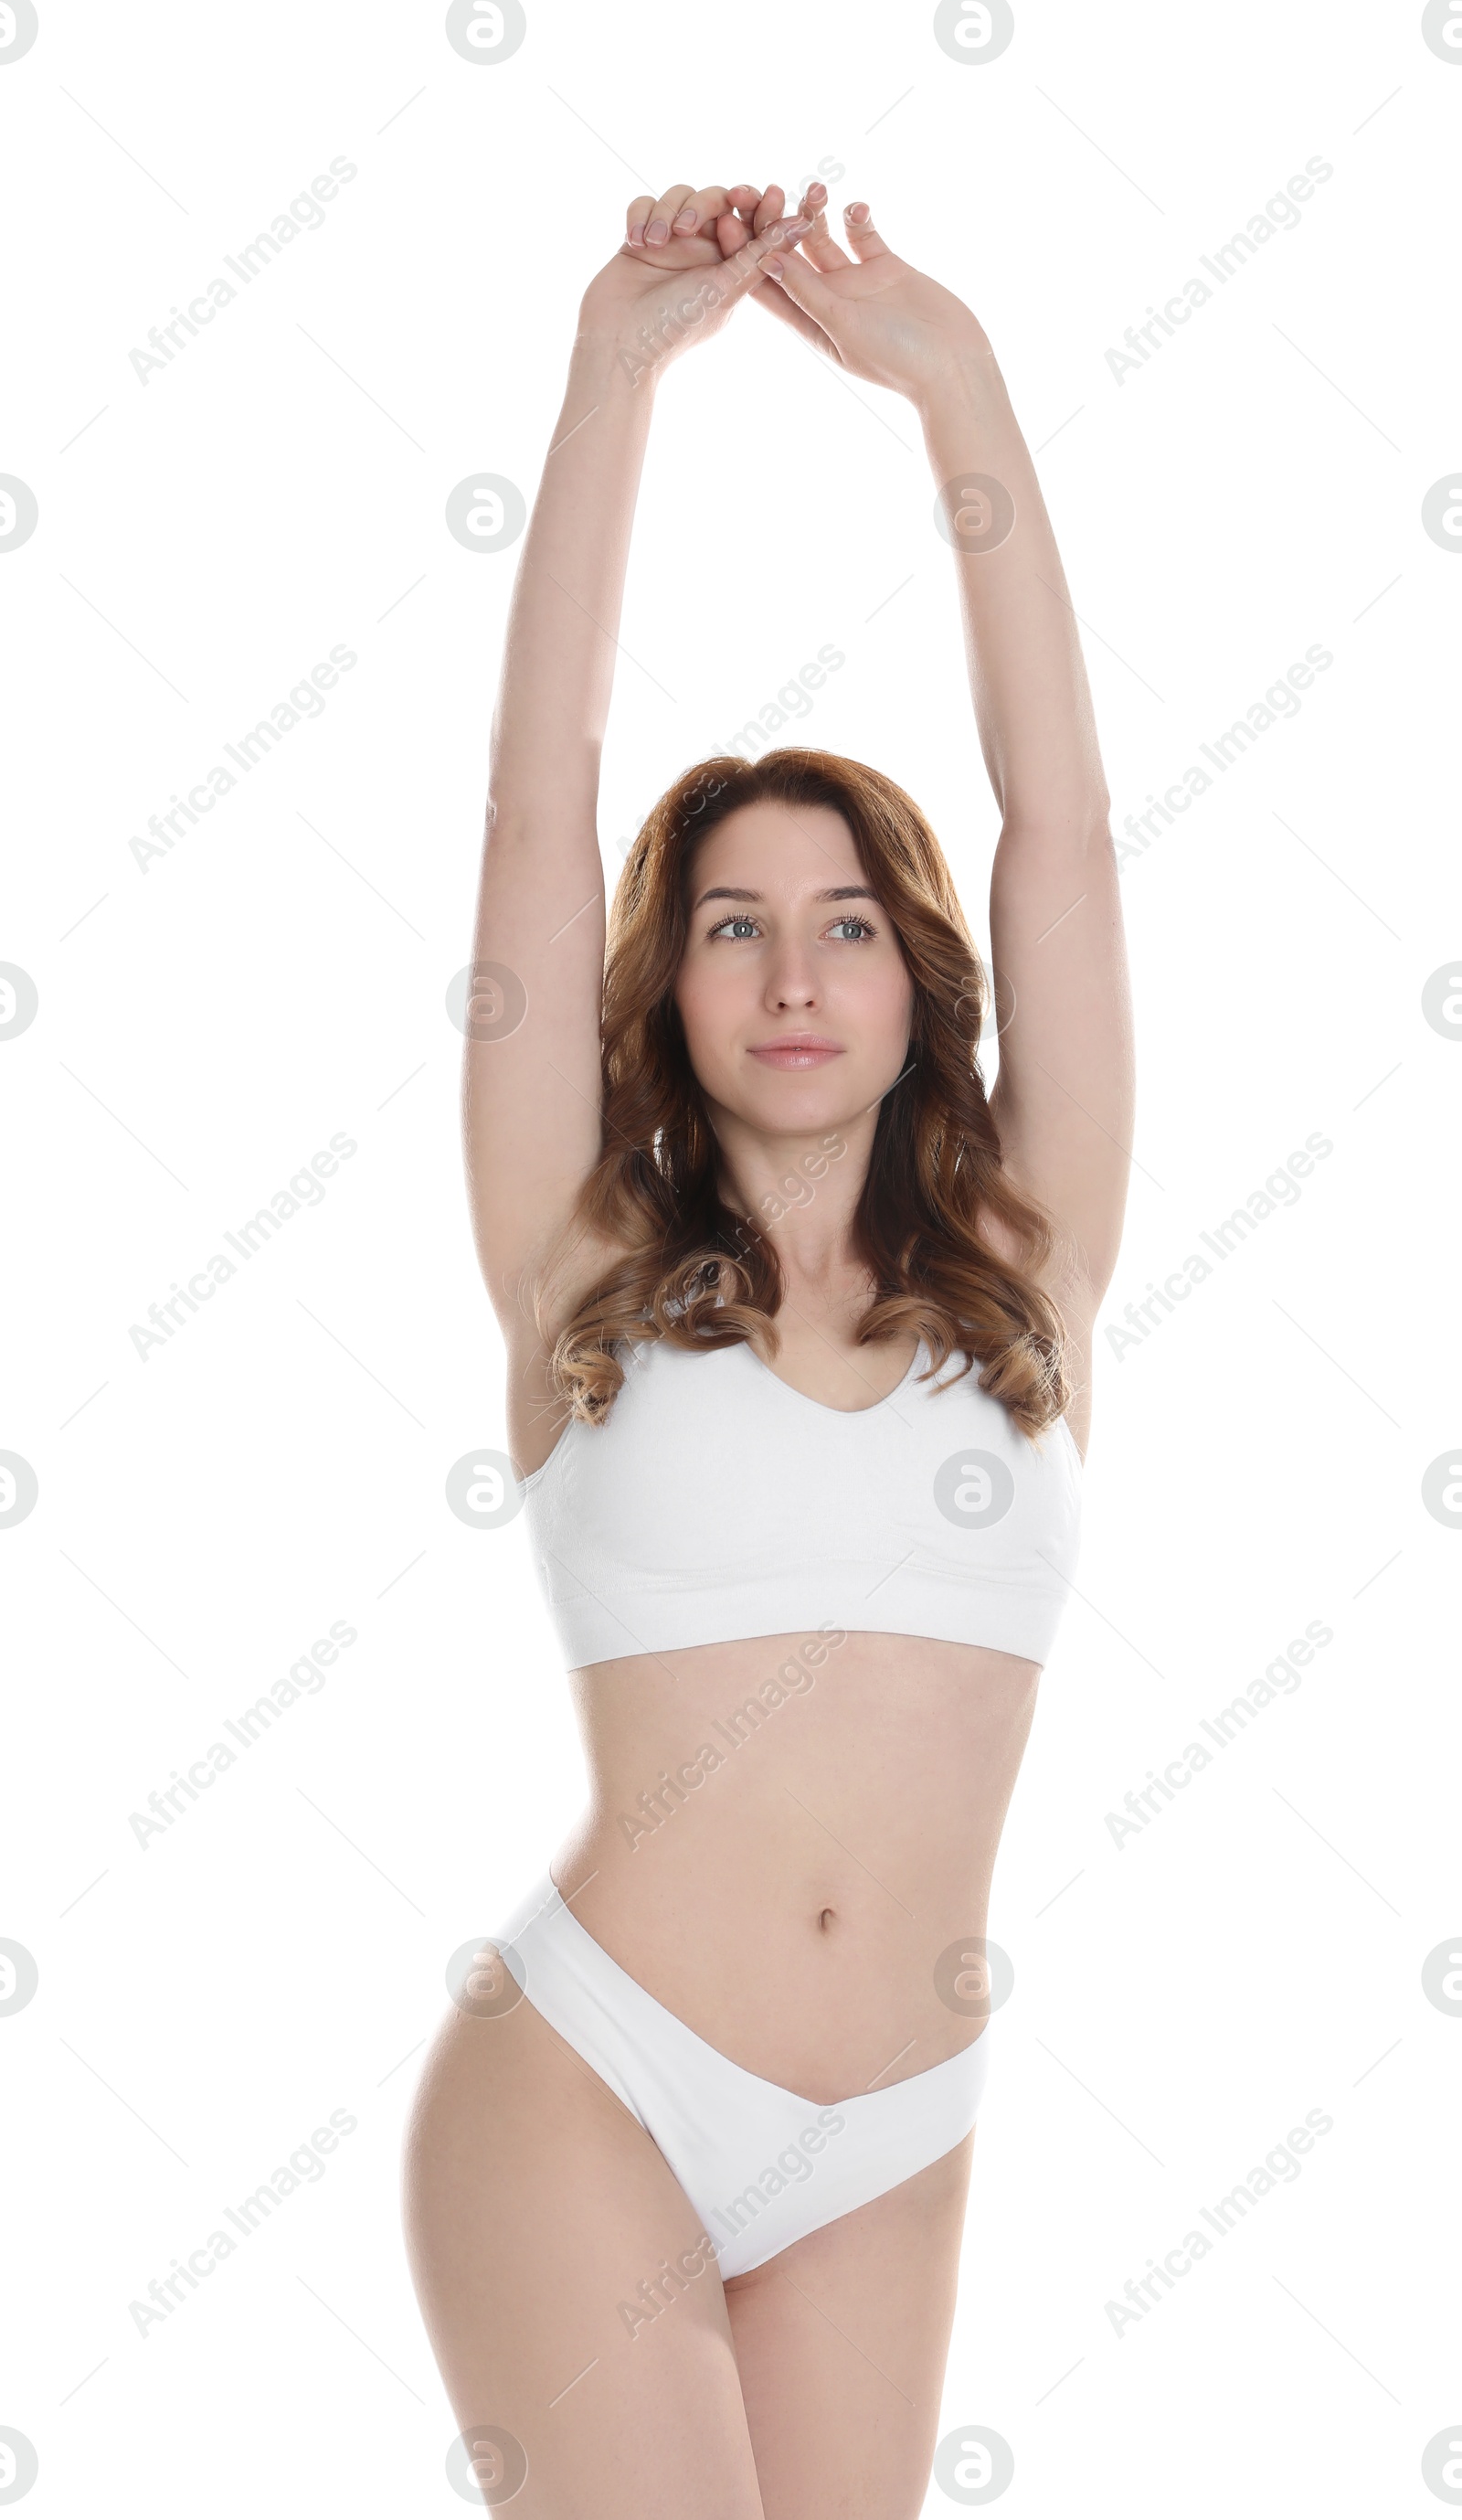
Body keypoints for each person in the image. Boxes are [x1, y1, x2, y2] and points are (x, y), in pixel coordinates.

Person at [404, 175, 1133, 2519]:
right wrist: (613, 375)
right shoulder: (577, 1259)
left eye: (840, 922)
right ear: (671, 987)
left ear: (914, 978)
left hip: (892, 2128)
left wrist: (952, 388)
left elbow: (1068, 835)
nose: (794, 972)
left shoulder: (1027, 1265)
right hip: (592, 2086)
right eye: (731, 925)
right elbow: (533, 814)